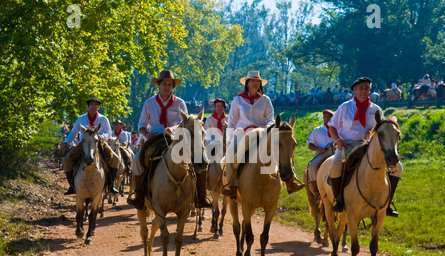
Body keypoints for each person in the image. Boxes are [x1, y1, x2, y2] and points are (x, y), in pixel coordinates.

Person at [127, 70, 211, 210]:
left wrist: (173, 128)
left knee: (199, 158)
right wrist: (147, 134)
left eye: (169, 84)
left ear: (173, 87)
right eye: (164, 84)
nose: (167, 86)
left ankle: (200, 196)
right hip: (154, 140)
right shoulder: (149, 103)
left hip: (175, 139)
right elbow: (141, 125)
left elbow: (184, 122)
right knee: (136, 160)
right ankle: (139, 195)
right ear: (159, 85)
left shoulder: (180, 103)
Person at [222, 70, 304, 198]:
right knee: (231, 156)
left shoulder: (265, 100)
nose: (255, 83)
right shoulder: (238, 99)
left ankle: (290, 181)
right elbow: (232, 121)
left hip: (261, 132)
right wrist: (229, 141)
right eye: (253, 81)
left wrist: (267, 128)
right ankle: (232, 185)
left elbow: (271, 118)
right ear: (247, 83)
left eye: (257, 81)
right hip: (242, 133)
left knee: (283, 151)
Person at [327, 77, 402, 217]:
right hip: (347, 144)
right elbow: (332, 127)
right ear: (354, 90)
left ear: (370, 90)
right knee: (336, 165)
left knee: (398, 168)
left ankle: (387, 204)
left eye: (366, 88)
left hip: (369, 145)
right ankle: (338, 200)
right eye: (360, 88)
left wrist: (372, 133)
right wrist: (338, 140)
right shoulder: (344, 107)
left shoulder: (376, 109)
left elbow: (382, 130)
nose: (363, 91)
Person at [61, 97, 120, 195]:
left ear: (99, 107)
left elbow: (108, 132)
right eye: (92, 104)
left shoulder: (103, 119)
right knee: (67, 160)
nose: (94, 106)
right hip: (83, 143)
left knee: (115, 159)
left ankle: (111, 184)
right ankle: (72, 185)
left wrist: (102, 137)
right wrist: (66, 142)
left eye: (96, 104)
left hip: (99, 142)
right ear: (88, 106)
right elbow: (74, 132)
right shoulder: (81, 118)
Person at [306, 109, 335, 195]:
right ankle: (316, 189)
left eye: (329, 117)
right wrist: (319, 149)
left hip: (334, 152)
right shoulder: (317, 130)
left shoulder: (337, 130)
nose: (326, 118)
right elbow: (310, 145)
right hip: (322, 153)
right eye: (325, 117)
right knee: (312, 166)